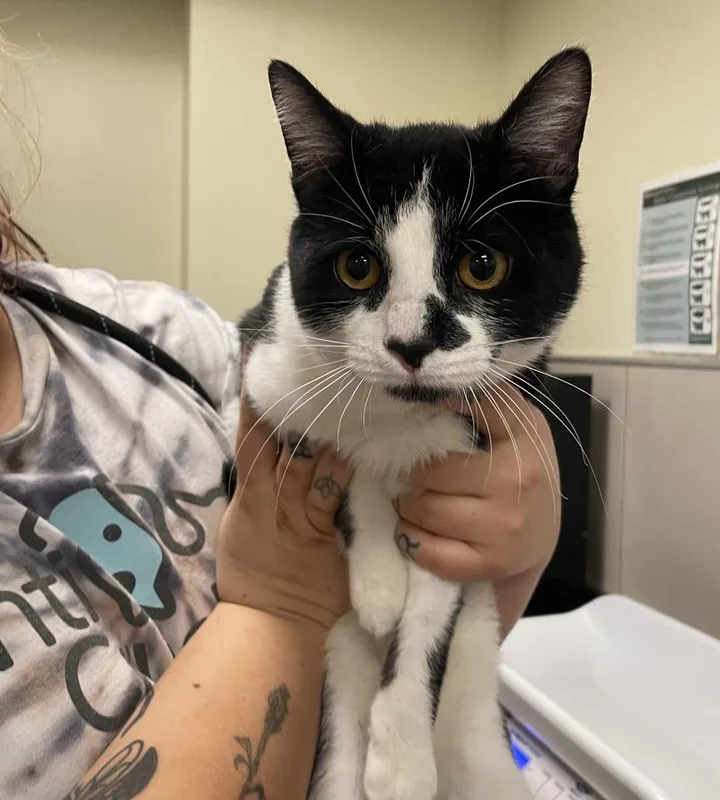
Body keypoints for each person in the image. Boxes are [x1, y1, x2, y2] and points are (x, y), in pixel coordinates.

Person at [0, 195, 561, 799]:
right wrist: (280, 604)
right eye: (360, 271)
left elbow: (431, 620)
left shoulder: (152, 331)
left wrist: (508, 551)